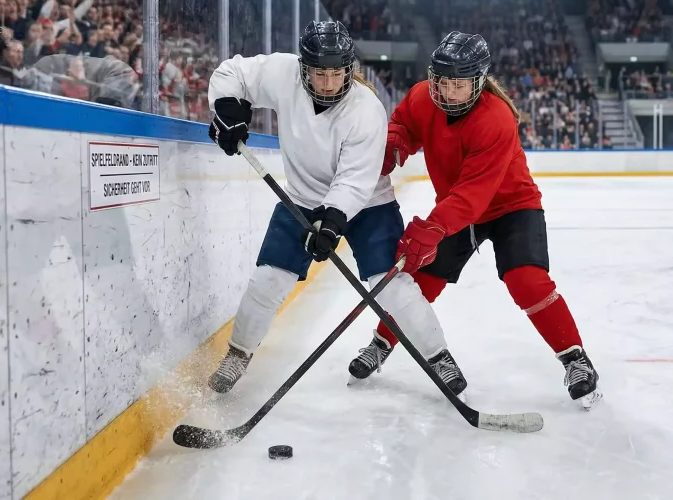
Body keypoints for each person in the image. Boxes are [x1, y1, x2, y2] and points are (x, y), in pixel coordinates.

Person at [206, 21, 468, 397]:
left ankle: (438, 356)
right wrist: (229, 108)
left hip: (368, 204)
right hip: (302, 198)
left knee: (391, 287)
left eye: (336, 73)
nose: (329, 83)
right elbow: (233, 73)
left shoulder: (366, 110)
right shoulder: (283, 73)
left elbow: (355, 180)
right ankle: (238, 353)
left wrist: (331, 222)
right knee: (268, 280)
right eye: (319, 73)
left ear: (349, 69)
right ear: (304, 68)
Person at [346, 31, 602, 409]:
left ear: (479, 82)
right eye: (442, 81)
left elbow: (473, 194)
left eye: (459, 84)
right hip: (458, 207)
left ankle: (575, 359)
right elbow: (404, 125)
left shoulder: (495, 118)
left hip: (511, 207)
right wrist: (393, 146)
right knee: (420, 281)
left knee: (526, 280)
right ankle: (381, 343)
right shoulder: (422, 97)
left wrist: (433, 228)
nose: (448, 92)